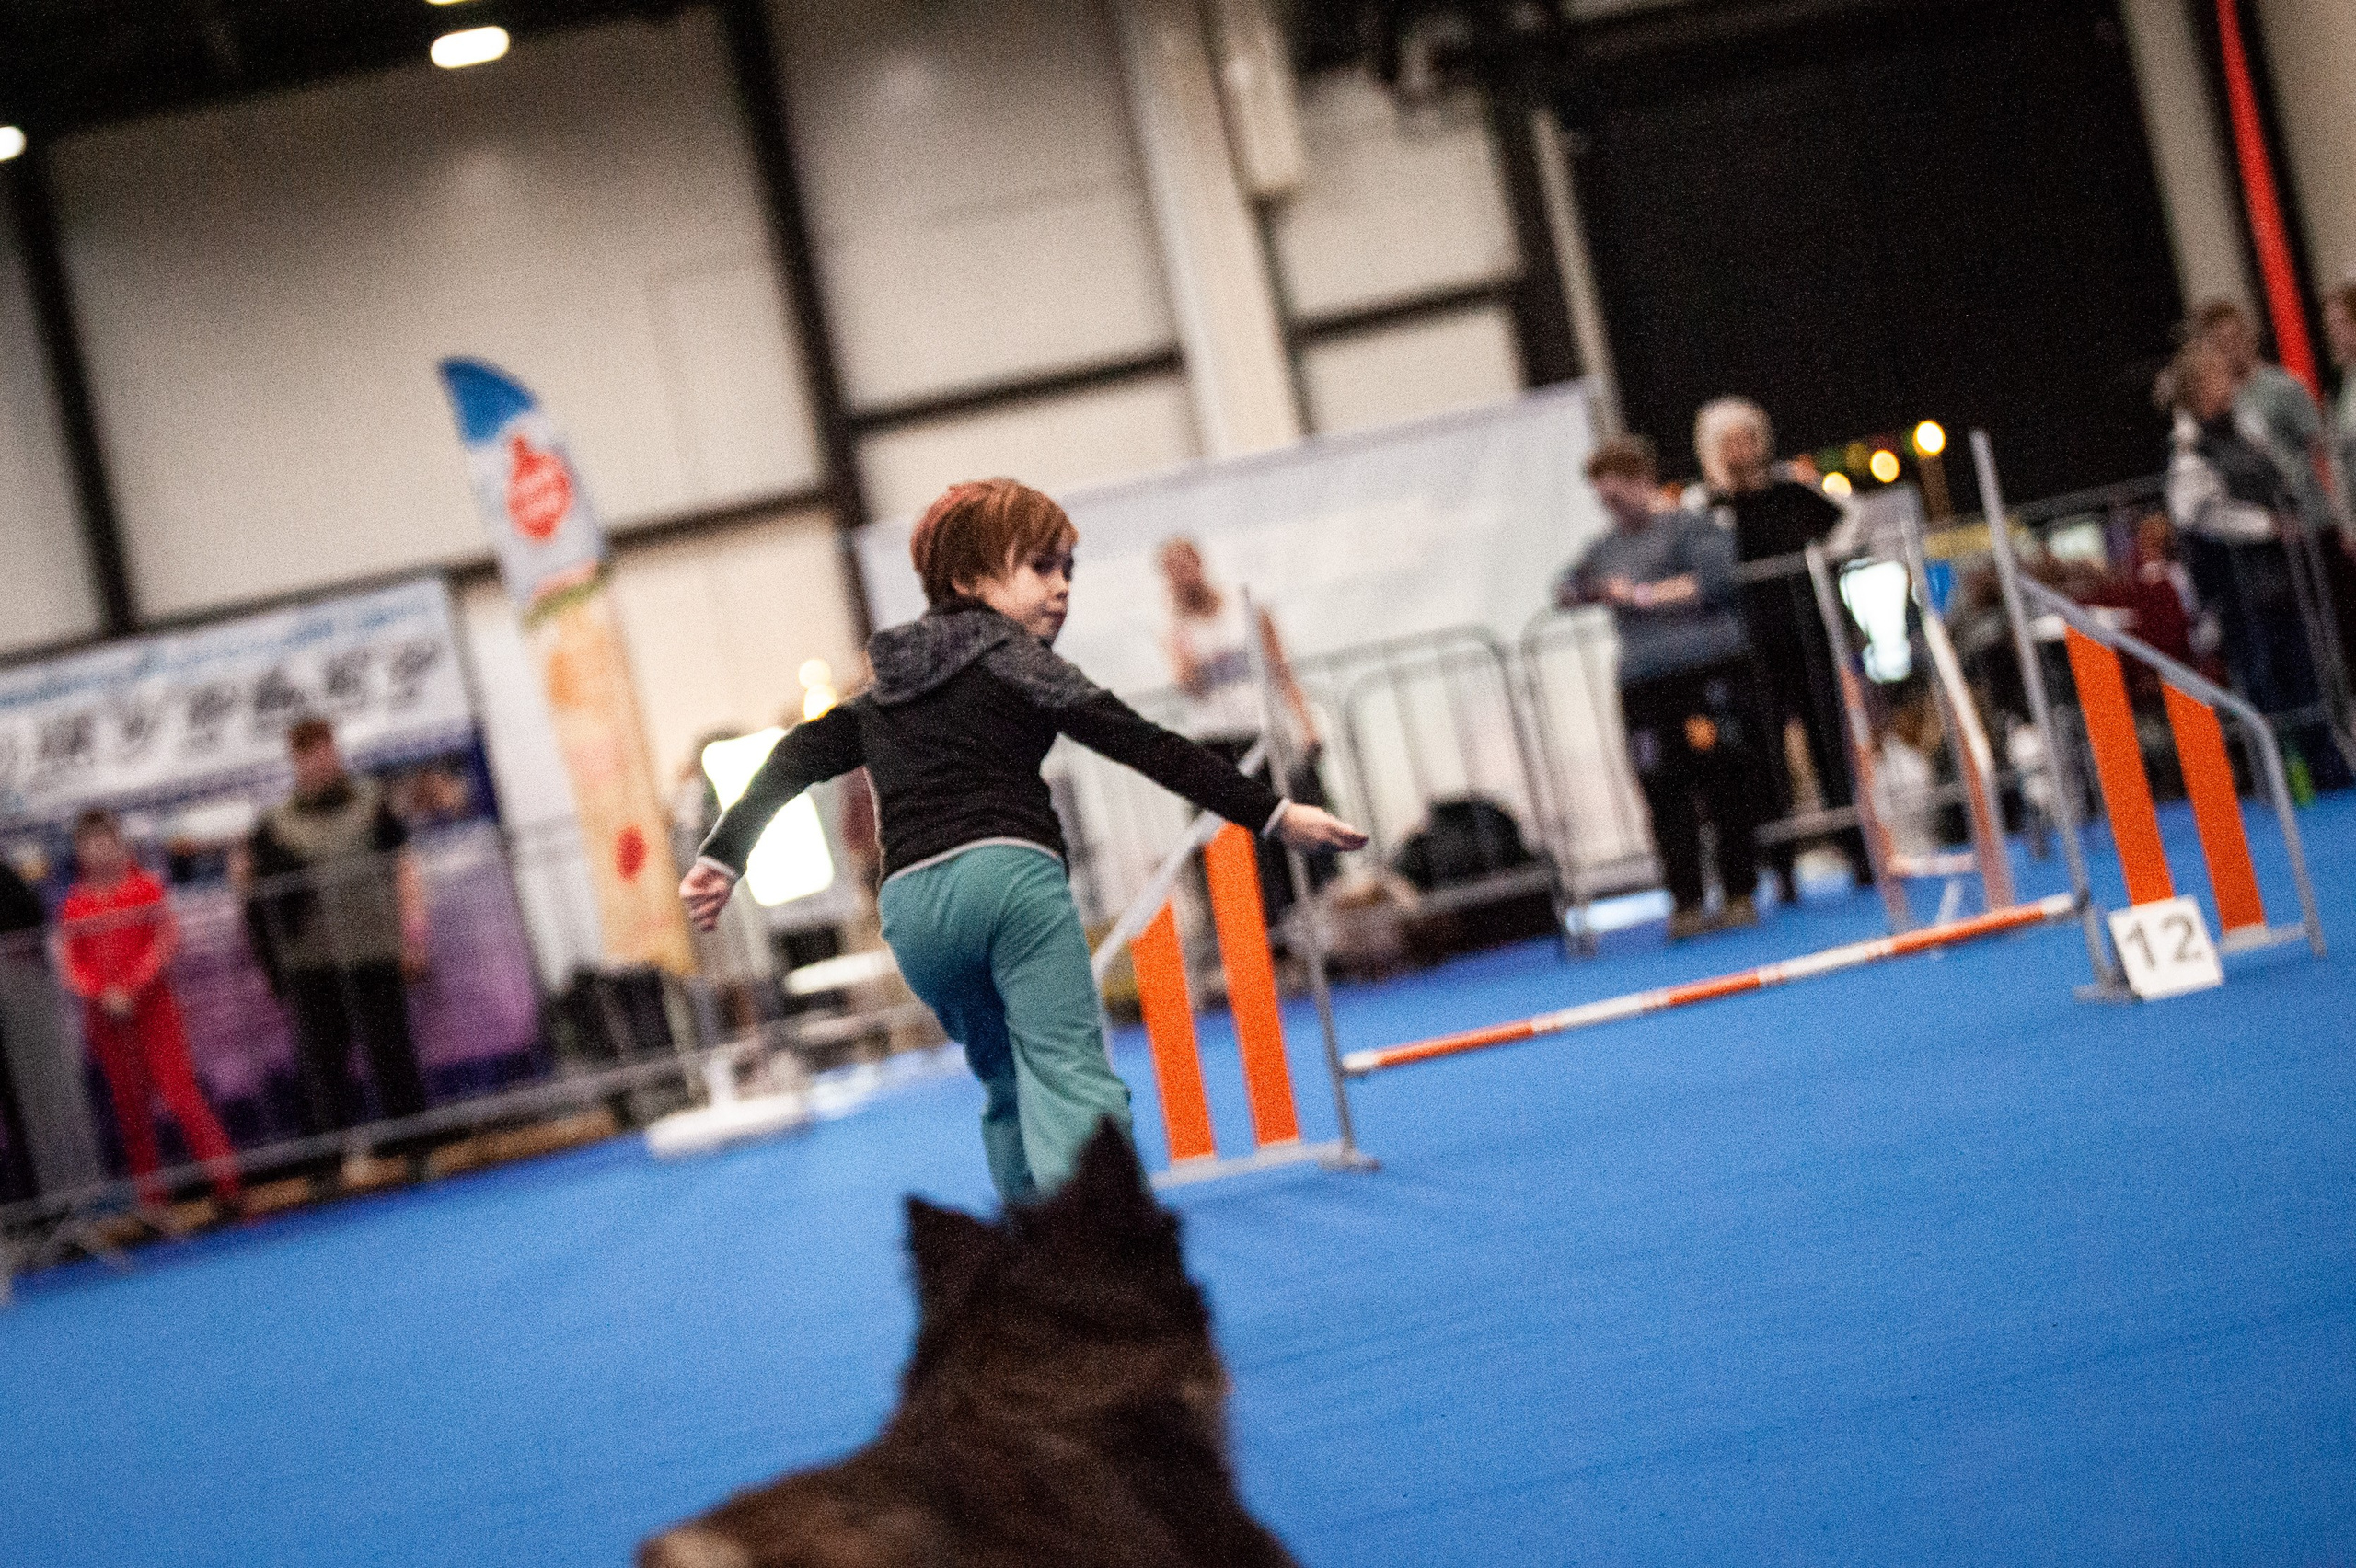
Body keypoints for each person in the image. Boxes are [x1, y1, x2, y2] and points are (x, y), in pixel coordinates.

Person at [681, 479, 1365, 1204]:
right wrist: (1273, 814)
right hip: (1011, 883)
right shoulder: (1019, 661)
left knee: (1005, 1083)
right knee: (1071, 1075)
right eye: (1042, 567)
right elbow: (1144, 744)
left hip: (913, 914)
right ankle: (1112, 1260)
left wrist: (725, 855)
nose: (1063, 587)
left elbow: (795, 757)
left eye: (1069, 568)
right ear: (969, 580)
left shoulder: (888, 683)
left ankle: (1034, 1259)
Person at [1559, 434, 1765, 940]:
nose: (1611, 507)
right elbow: (1566, 587)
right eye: (1602, 500)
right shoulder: (1604, 548)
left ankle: (1739, 891)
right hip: (1644, 682)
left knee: (1722, 780)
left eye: (1617, 495)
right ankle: (1687, 900)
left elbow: (1714, 581)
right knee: (1663, 791)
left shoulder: (1691, 527)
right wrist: (1589, 591)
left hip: (1704, 670)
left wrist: (1642, 595)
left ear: (1643, 482)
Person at [1692, 396, 1868, 897]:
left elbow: (1852, 519)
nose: (1742, 449)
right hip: (1746, 651)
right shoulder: (1704, 509)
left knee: (1830, 746)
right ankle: (1782, 868)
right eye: (1730, 442)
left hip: (1806, 636)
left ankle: (1856, 850)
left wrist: (1827, 554)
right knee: (1762, 759)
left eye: (1748, 438)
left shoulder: (1792, 488)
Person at [242, 718, 433, 1168]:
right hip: (311, 965)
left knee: (393, 1055)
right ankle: (328, 1166)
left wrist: (415, 936)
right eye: (308, 752)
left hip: (374, 951)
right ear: (295, 761)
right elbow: (257, 903)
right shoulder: (274, 826)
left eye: (326, 748)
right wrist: (271, 968)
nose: (320, 760)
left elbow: (404, 866)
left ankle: (416, 1151)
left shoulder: (373, 803)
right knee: (322, 1070)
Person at [2162, 338, 2349, 788]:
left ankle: (2328, 763)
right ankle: (2283, 776)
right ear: (2200, 389)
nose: (2229, 382)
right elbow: (2196, 514)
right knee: (2263, 681)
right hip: (2239, 588)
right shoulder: (2188, 450)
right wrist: (2265, 525)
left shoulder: (2246, 430)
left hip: (2285, 577)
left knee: (2306, 669)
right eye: (2218, 376)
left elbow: (2281, 476)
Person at [52, 810, 242, 1209]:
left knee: (182, 1096)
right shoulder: (74, 906)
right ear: (80, 853)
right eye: (91, 845)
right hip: (105, 1022)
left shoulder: (147, 889)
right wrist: (101, 993)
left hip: (155, 1013)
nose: (100, 851)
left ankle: (228, 1187)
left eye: (106, 841)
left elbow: (166, 940)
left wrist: (134, 986)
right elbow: (70, 964)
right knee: (132, 1113)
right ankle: (153, 1205)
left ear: (120, 844)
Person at [1156, 536, 1332, 925]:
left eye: (1183, 566)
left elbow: (1283, 671)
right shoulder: (1175, 630)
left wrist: (1307, 725)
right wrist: (1180, 639)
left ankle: (1313, 919)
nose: (1180, 578)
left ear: (1199, 563)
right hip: (1213, 742)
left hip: (1261, 733)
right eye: (1170, 573)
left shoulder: (1246, 609)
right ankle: (1258, 936)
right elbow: (1190, 687)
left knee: (1286, 832)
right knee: (1233, 849)